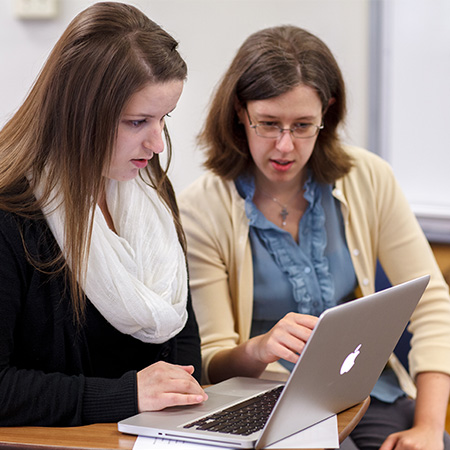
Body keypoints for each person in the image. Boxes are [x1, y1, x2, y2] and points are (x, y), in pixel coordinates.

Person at [178, 25, 450, 449]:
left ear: (328, 112)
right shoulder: (203, 207)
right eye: (268, 124)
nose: (285, 147)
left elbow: (431, 302)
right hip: (272, 406)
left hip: (370, 392)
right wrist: (261, 348)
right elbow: (212, 361)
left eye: (303, 125)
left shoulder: (368, 177)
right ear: (238, 112)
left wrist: (429, 427)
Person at [0, 2, 208, 427]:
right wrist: (126, 395)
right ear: (79, 113)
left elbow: (181, 330)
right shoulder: (11, 211)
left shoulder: (150, 187)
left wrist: (188, 408)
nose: (157, 145)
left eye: (163, 118)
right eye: (137, 122)